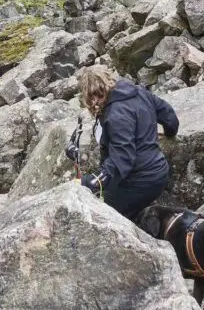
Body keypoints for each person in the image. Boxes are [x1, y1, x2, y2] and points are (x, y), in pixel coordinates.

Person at [72, 65, 178, 221]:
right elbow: (168, 115)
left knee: (101, 215)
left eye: (96, 97)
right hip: (159, 170)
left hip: (141, 179)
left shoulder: (116, 115)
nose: (95, 103)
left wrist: (89, 181)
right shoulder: (139, 91)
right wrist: (170, 132)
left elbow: (122, 159)